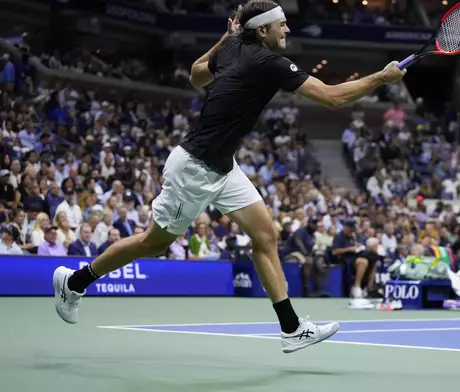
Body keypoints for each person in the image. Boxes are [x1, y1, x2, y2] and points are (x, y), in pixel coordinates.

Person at [52, 0, 406, 354]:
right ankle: (75, 282)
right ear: (262, 30)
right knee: (154, 243)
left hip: (223, 166)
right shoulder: (269, 62)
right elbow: (331, 98)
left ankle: (292, 328)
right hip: (194, 168)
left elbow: (196, 75)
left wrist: (224, 40)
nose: (288, 30)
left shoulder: (235, 47)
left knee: (265, 234)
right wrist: (381, 78)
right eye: (281, 24)